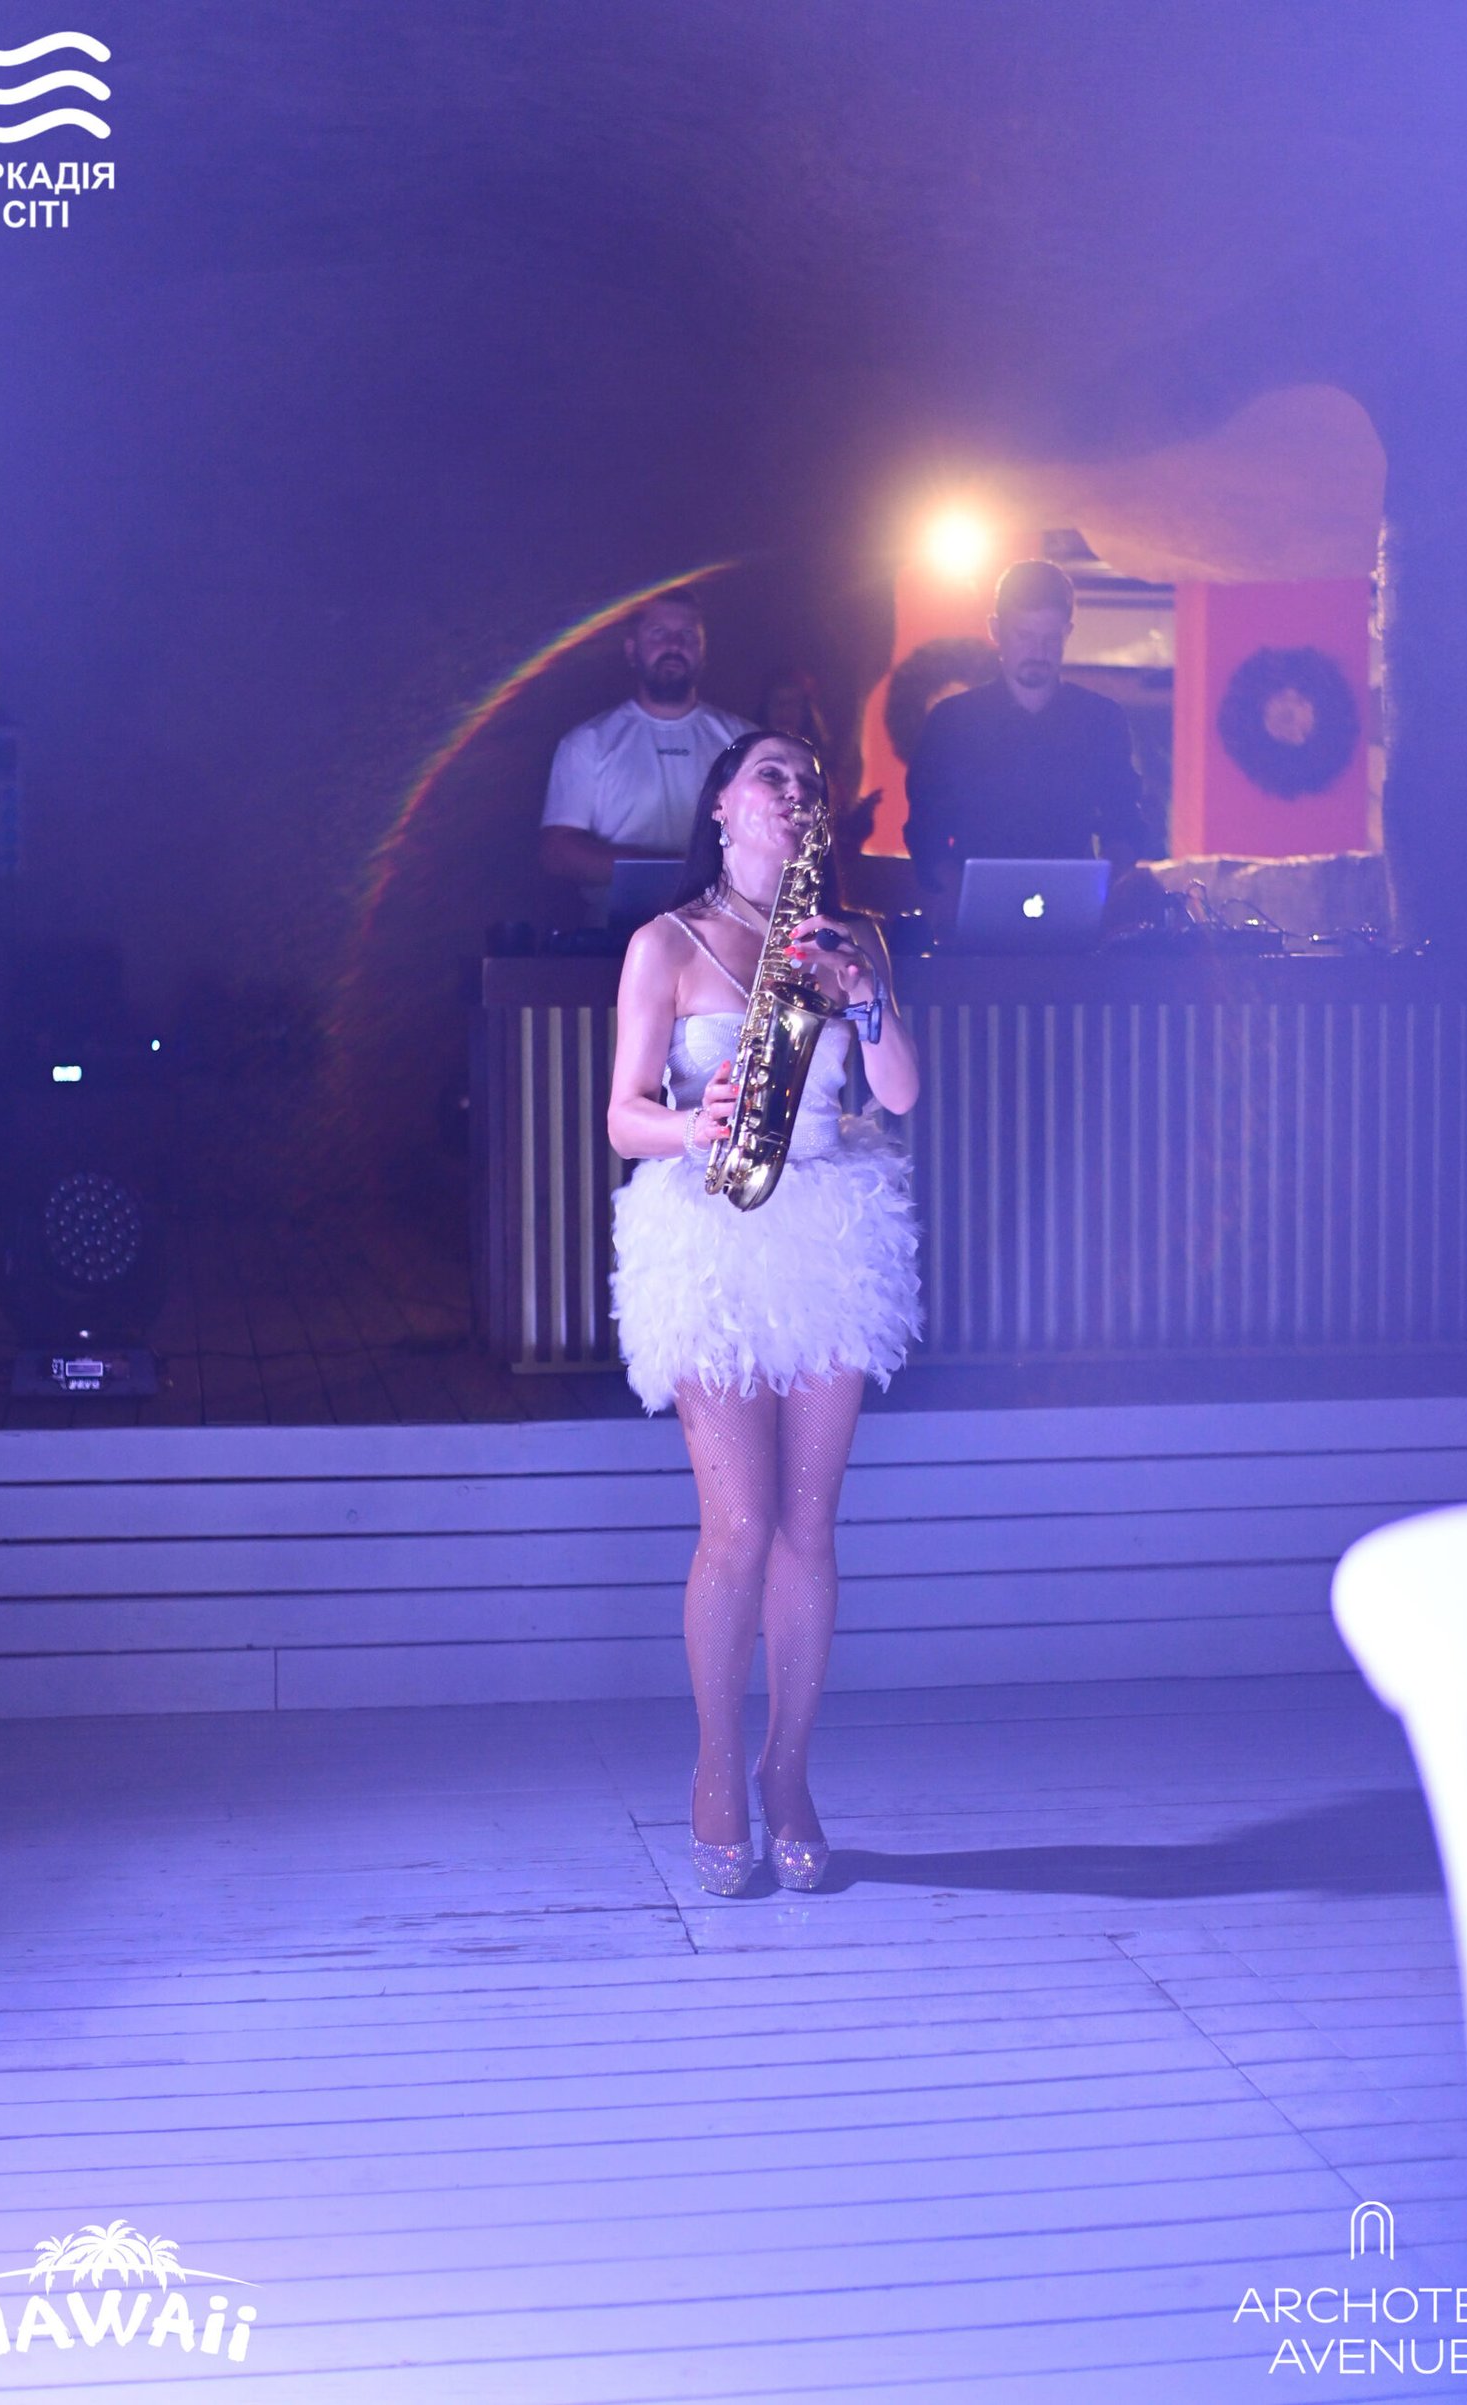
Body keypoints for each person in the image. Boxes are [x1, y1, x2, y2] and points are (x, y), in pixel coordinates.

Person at [607, 730, 921, 1898]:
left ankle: (787, 1770)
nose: (794, 792)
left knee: (807, 1527)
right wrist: (692, 1121)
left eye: (807, 782)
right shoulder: (664, 943)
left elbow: (901, 1093)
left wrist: (867, 996)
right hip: (712, 1232)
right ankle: (715, 1765)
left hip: (830, 1234)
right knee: (737, 1526)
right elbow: (622, 1114)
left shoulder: (851, 937)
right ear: (722, 806)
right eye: (770, 777)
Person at [903, 558, 1149, 908]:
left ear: (1067, 633)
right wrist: (961, 896)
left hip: (1070, 912)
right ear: (995, 630)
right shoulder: (952, 722)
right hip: (978, 914)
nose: (1038, 652)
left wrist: (1097, 890)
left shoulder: (1101, 720)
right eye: (1025, 636)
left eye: (1050, 638)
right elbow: (926, 832)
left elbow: (1124, 821)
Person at [539, 587, 752, 920]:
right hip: (616, 936)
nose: (674, 645)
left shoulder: (745, 742)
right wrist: (664, 871)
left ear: (702, 650)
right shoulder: (587, 742)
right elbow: (557, 852)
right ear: (631, 649)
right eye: (658, 633)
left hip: (722, 929)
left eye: (687, 635)